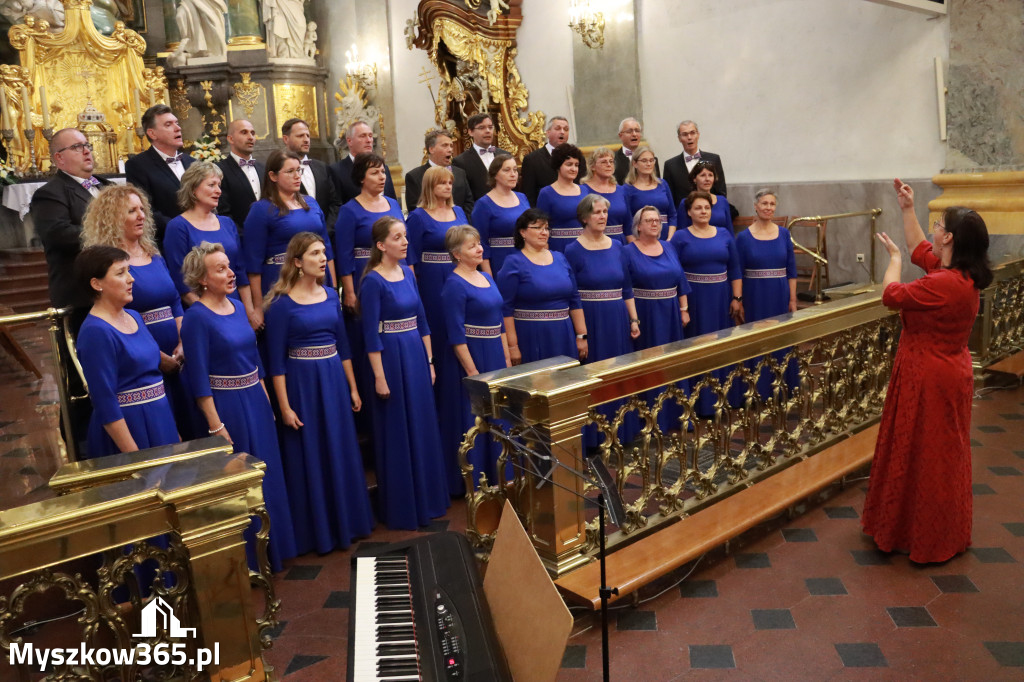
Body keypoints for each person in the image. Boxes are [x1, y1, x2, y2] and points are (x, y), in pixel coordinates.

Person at [861, 179, 992, 564]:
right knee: (929, 450)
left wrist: (894, 263)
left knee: (928, 453)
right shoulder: (961, 273)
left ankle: (925, 536)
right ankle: (921, 527)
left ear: (949, 237)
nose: (932, 229)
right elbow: (923, 248)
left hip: (930, 375)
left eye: (937, 225)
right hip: (941, 369)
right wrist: (906, 209)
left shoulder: (944, 285)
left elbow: (891, 295)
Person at [180, 242, 297, 571]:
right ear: (202, 279)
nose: (232, 273)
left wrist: (266, 399)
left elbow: (254, 360)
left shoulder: (234, 305)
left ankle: (276, 549)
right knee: (240, 483)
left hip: (255, 403)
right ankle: (249, 561)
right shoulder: (196, 318)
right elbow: (198, 380)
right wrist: (216, 426)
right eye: (221, 269)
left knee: (266, 475)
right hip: (227, 407)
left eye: (229, 266)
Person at [264, 232, 374, 553]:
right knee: (311, 454)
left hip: (334, 381)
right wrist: (284, 407)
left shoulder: (330, 296)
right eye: (314, 253)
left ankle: (348, 522)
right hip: (302, 384)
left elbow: (344, 348)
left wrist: (353, 388)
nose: (323, 258)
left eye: (324, 252)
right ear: (298, 262)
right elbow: (276, 363)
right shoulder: (281, 305)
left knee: (340, 448)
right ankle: (319, 532)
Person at [81, 184, 199, 440]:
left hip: (178, 353)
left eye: (142, 209)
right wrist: (158, 357)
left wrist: (183, 341)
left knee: (186, 427)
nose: (142, 215)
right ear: (113, 217)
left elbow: (174, 301)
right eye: (132, 210)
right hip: (142, 358)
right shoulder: (108, 263)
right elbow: (118, 319)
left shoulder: (154, 253)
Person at [359, 216, 450, 529]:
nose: (405, 242)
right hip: (391, 359)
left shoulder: (407, 274)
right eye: (398, 238)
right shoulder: (372, 280)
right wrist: (380, 376)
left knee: (423, 426)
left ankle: (430, 500)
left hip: (414, 355)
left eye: (405, 236)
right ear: (382, 245)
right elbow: (369, 335)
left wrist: (429, 361)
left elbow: (422, 321)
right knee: (398, 429)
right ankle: (404, 508)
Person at [31, 127, 111, 454]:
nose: (87, 151)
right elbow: (59, 233)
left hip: (116, 296)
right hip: (80, 303)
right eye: (77, 147)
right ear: (59, 158)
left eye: (87, 145)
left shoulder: (106, 188)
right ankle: (83, 452)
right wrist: (109, 237)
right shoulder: (50, 193)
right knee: (83, 383)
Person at [73, 245, 180, 457]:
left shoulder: (135, 316)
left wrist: (172, 430)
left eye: (129, 271)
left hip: (160, 418)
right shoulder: (95, 331)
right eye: (121, 273)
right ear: (96, 283)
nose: (131, 279)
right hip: (130, 430)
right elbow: (105, 402)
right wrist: (134, 456)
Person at [406, 166, 469, 493]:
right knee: (443, 340)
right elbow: (410, 260)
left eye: (450, 182)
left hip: (461, 279)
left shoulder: (459, 211)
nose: (447, 186)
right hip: (431, 283)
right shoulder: (418, 217)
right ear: (431, 185)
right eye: (442, 182)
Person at [565, 194, 640, 447]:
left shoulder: (618, 245)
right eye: (597, 212)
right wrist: (580, 333)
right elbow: (572, 295)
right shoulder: (572, 249)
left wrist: (634, 320)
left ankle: (620, 431)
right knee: (593, 375)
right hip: (591, 319)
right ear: (584, 217)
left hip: (617, 318)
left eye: (604, 212)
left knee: (617, 372)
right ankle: (594, 436)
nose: (602, 217)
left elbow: (627, 288)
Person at [441, 225, 511, 488]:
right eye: (472, 246)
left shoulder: (488, 277)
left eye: (479, 243)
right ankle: (478, 480)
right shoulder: (454, 285)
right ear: (457, 254)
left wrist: (505, 361)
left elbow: (500, 322)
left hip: (494, 354)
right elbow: (456, 336)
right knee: (476, 419)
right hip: (473, 358)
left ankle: (501, 475)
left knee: (499, 418)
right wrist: (473, 374)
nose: (480, 249)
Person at [671, 191, 743, 416]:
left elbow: (735, 269)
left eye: (707, 208)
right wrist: (683, 305)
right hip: (694, 298)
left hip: (720, 297)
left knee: (721, 345)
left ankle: (722, 397)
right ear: (689, 212)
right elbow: (675, 272)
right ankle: (697, 402)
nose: (703, 211)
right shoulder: (680, 237)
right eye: (698, 208)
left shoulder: (724, 234)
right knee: (696, 346)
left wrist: (737, 298)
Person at [624, 206, 691, 432]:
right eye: (649, 220)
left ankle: (676, 414)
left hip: (671, 312)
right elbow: (626, 289)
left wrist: (684, 308)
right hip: (646, 314)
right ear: (638, 226)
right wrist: (633, 319)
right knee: (650, 364)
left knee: (672, 362)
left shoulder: (669, 247)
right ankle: (651, 418)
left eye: (658, 220)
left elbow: (680, 278)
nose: (655, 223)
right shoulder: (628, 251)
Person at [243, 149, 334, 312]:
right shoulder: (261, 210)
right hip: (280, 281)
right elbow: (253, 263)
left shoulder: (311, 203)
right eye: (290, 171)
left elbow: (327, 249)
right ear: (273, 176)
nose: (297, 175)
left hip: (316, 279)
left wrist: (332, 288)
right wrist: (257, 307)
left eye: (298, 170)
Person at [164, 162, 255, 323]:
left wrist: (248, 312)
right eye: (211, 185)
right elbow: (181, 282)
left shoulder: (227, 223)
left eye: (219, 185)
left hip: (235, 305)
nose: (218, 191)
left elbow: (241, 272)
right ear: (193, 188)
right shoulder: (178, 227)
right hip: (202, 312)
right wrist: (210, 314)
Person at [497, 208, 586, 365]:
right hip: (531, 335)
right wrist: (512, 346)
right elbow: (505, 308)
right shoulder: (513, 263)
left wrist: (581, 335)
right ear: (523, 232)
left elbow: (574, 299)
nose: (544, 232)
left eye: (546, 228)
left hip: (563, 333)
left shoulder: (560, 258)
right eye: (537, 227)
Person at [735, 189, 798, 400]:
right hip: (755, 296)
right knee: (757, 340)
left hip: (779, 295)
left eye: (772, 204)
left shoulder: (784, 234)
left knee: (780, 339)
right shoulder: (743, 237)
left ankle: (782, 386)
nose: (768, 208)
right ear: (755, 206)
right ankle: (758, 389)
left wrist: (792, 299)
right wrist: (740, 300)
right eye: (764, 203)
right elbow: (738, 272)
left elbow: (791, 270)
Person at [334, 152, 405, 311]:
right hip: (364, 272)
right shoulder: (349, 210)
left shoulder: (393, 204)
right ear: (361, 178)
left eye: (383, 172)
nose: (382, 177)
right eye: (374, 173)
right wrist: (350, 292)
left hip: (396, 270)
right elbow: (344, 255)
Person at [125, 105, 194, 244]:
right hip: (169, 239)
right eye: (168, 124)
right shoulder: (138, 165)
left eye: (177, 123)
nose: (178, 128)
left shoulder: (192, 162)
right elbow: (146, 208)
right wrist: (180, 228)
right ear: (152, 134)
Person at [471, 154, 529, 276]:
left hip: (526, 257)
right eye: (506, 170)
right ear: (495, 174)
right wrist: (488, 277)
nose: (513, 174)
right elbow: (481, 242)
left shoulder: (522, 198)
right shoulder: (483, 204)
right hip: (500, 261)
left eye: (515, 170)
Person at [281, 117, 340, 228]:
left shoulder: (322, 167)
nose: (306, 140)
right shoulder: (279, 170)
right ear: (286, 139)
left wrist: (327, 230)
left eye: (308, 135)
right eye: (300, 136)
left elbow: (335, 203)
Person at [404, 129, 474, 216]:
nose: (450, 150)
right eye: (445, 145)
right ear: (431, 149)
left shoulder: (460, 173)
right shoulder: (414, 176)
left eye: (451, 146)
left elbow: (469, 204)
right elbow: (415, 209)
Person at [519, 116, 585, 206]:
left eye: (566, 129)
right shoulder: (532, 160)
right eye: (558, 128)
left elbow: (581, 184)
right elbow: (529, 195)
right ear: (548, 133)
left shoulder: (578, 157)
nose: (562, 132)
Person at [663, 119, 728, 210]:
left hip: (710, 213)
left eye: (692, 133)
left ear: (698, 135)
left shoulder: (713, 159)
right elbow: (670, 198)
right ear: (679, 138)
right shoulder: (670, 165)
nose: (689, 137)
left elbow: (721, 191)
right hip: (683, 216)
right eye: (685, 134)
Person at [329, 120, 398, 204]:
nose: (369, 140)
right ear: (349, 141)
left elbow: (392, 201)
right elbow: (336, 206)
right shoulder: (337, 171)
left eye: (370, 136)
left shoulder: (383, 168)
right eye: (363, 136)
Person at [216, 119, 264, 236]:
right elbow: (223, 211)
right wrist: (241, 235)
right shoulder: (220, 170)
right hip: (240, 237)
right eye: (244, 132)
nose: (250, 137)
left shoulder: (263, 168)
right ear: (230, 139)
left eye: (252, 133)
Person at [536, 143, 586, 253]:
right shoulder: (546, 193)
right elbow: (540, 225)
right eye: (569, 164)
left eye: (576, 165)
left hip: (584, 245)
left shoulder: (585, 190)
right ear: (558, 166)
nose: (573, 169)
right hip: (558, 247)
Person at [453, 113, 510, 201]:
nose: (488, 131)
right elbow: (463, 195)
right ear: (470, 132)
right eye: (481, 128)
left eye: (490, 127)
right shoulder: (460, 162)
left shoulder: (505, 155)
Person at [624, 144, 677, 240]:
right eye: (644, 161)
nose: (648, 164)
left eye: (651, 160)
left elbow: (673, 215)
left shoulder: (663, 184)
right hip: (641, 239)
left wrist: (670, 239)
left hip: (666, 237)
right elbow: (628, 221)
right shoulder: (627, 189)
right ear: (634, 163)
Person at [581, 146, 633, 243]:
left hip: (620, 242)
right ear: (592, 166)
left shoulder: (621, 190)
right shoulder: (584, 190)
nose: (609, 164)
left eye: (611, 161)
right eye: (604, 162)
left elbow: (628, 225)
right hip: (594, 241)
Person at [677, 161, 733, 234]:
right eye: (702, 175)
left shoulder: (722, 201)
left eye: (710, 175)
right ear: (694, 179)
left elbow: (730, 230)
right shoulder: (686, 202)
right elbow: (682, 231)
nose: (707, 179)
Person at [613, 117, 659, 184]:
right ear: (620, 136)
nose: (634, 134)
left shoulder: (652, 160)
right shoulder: (612, 160)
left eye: (637, 131)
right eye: (629, 131)